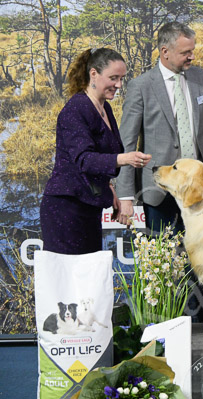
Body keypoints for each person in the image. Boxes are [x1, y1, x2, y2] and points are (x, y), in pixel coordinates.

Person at [115, 21, 203, 321]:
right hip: (159, 194)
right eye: (185, 52)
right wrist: (126, 195)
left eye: (192, 50)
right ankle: (165, 327)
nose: (192, 56)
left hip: (202, 195)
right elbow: (127, 143)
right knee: (164, 266)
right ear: (165, 51)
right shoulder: (141, 86)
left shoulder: (201, 79)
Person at [40, 48, 151, 255]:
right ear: (93, 74)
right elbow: (84, 160)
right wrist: (125, 159)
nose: (119, 85)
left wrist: (108, 187)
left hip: (89, 207)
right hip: (66, 209)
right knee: (73, 275)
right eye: (113, 78)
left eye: (121, 79)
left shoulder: (104, 108)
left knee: (90, 273)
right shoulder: (76, 109)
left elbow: (98, 159)